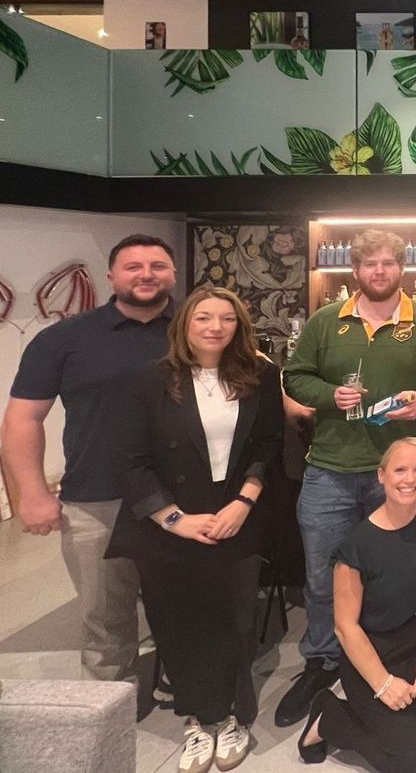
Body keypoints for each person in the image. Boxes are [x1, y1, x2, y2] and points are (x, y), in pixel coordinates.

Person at [279, 229, 416, 726]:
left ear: (402, 268)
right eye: (369, 265)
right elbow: (295, 376)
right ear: (354, 271)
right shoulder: (325, 321)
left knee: (397, 578)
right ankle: (322, 659)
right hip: (331, 469)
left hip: (399, 475)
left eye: (387, 263)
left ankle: (391, 662)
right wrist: (326, 395)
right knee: (323, 576)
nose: (378, 272)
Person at [107, 287, 281, 773]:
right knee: (178, 621)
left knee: (235, 621)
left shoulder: (261, 374)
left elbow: (269, 444)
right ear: (184, 324)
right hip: (171, 519)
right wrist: (175, 519)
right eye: (203, 317)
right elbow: (131, 460)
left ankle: (232, 718)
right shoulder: (152, 379)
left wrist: (245, 501)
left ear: (240, 327)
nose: (215, 326)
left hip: (236, 513)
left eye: (227, 318)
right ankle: (195, 720)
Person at [2, 234, 177, 684]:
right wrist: (32, 493)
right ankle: (107, 705)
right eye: (133, 266)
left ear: (173, 274)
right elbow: (22, 420)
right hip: (97, 497)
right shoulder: (64, 338)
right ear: (111, 276)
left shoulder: (198, 329)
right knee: (103, 614)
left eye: (157, 266)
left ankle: (186, 684)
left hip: (184, 495)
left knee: (183, 602)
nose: (146, 275)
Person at [297, 438, 416, 772]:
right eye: (399, 470)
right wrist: (382, 683)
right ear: (381, 475)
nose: (409, 479)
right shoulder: (356, 547)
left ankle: (415, 705)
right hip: (374, 651)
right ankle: (330, 717)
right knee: (411, 760)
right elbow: (345, 627)